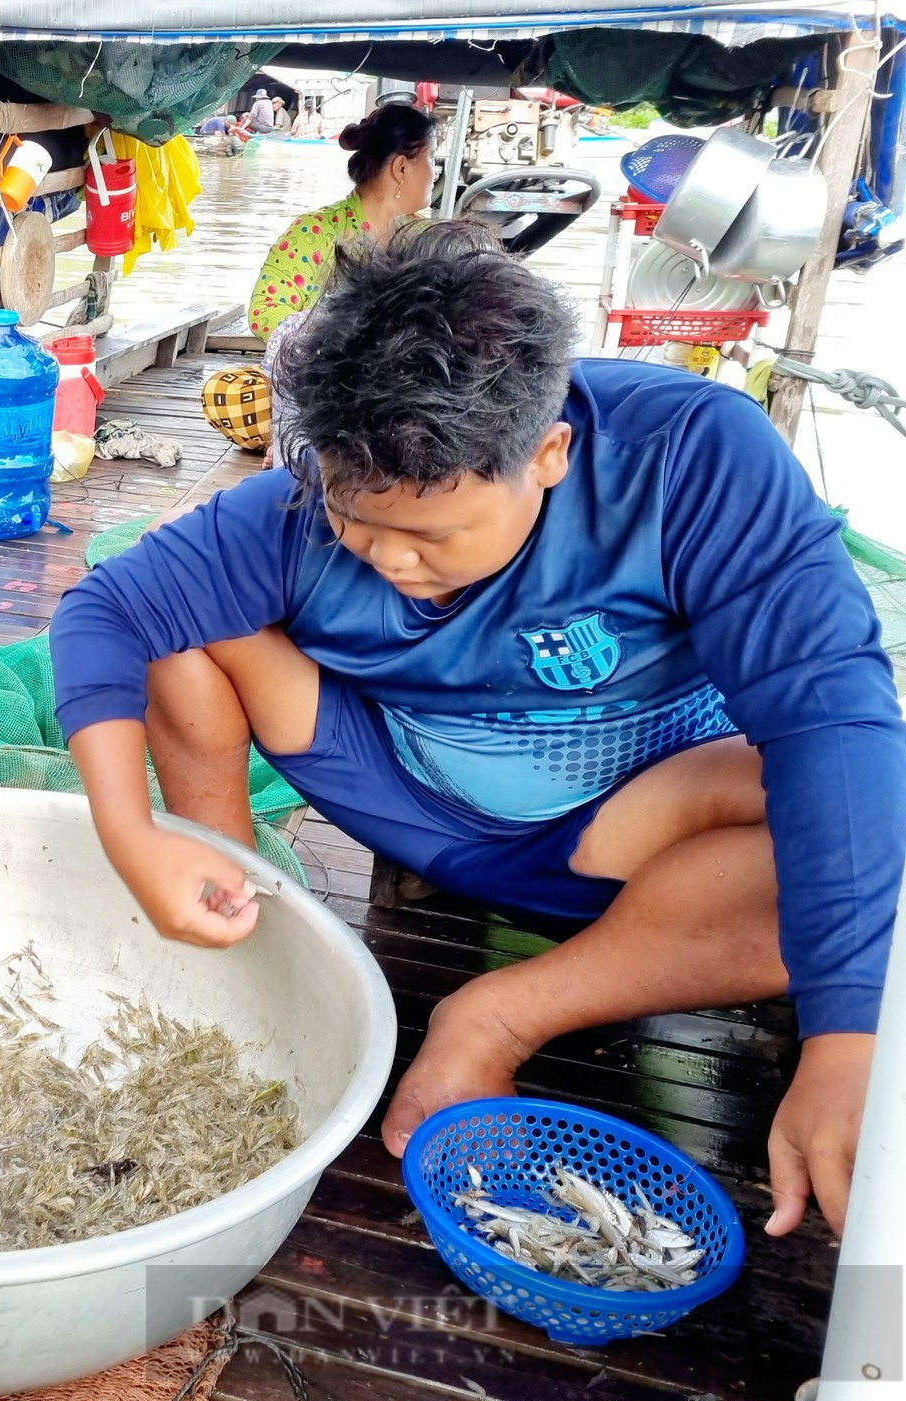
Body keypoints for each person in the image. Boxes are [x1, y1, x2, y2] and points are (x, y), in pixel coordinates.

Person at [53, 224, 905, 1240]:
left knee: (849, 837)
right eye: (351, 517)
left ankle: (494, 1013)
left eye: (427, 535)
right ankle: (233, 905)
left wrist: (847, 1033)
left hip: (638, 826)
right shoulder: (297, 508)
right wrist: (128, 831)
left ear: (546, 454)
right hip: (404, 790)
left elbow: (831, 717)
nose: (380, 557)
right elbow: (105, 612)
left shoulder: (691, 457)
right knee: (178, 639)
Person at [245, 102, 436, 466]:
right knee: (225, 394)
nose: (433, 173)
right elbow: (265, 310)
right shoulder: (314, 231)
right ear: (401, 167)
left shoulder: (430, 242)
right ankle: (299, 440)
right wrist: (341, 342)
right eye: (431, 161)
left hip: (405, 393)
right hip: (323, 388)